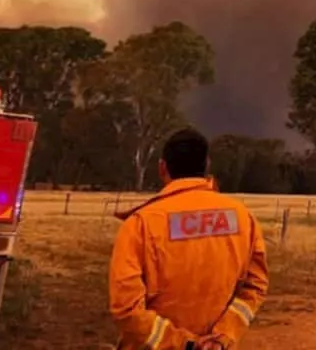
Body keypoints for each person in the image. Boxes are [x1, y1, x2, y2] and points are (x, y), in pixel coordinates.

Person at [108, 127, 269, 350]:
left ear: (162, 168)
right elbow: (255, 286)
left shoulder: (140, 224)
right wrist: (222, 336)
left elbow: (126, 308)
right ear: (207, 165)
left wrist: (185, 344)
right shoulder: (242, 217)